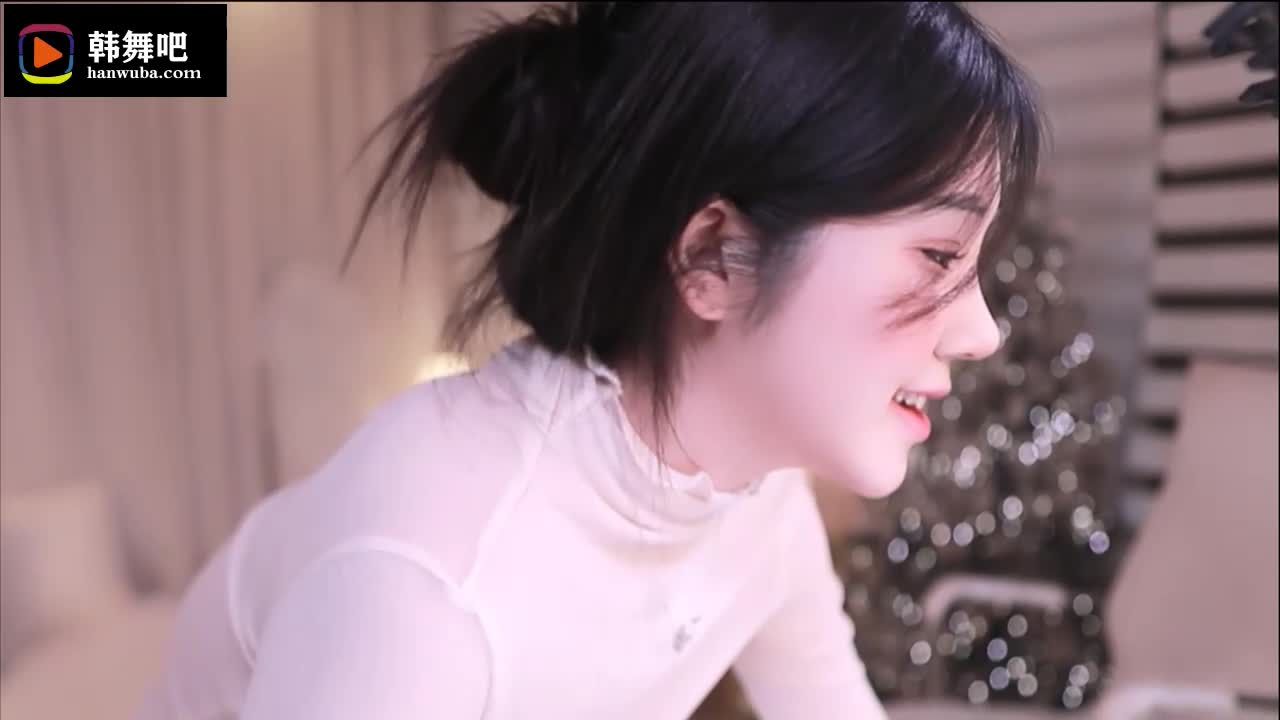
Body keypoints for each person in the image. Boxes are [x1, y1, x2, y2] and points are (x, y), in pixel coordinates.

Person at [139, 3, 1044, 719]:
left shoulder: (756, 501)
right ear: (715, 256)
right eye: (937, 257)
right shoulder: (431, 581)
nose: (981, 332)